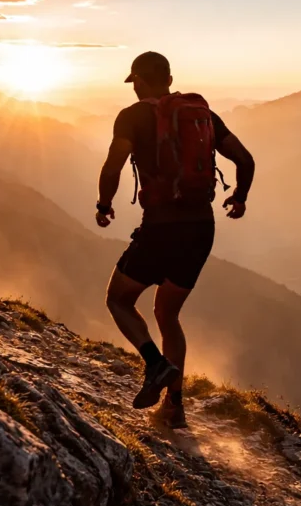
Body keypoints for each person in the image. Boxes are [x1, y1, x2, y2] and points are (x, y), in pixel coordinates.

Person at [96, 52, 255, 428]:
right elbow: (245, 160)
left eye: (134, 81)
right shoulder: (201, 115)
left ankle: (155, 365)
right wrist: (240, 197)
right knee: (168, 313)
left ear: (140, 81)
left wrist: (104, 204)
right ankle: (174, 407)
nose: (133, 87)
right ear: (169, 78)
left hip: (161, 228)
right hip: (201, 228)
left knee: (118, 299)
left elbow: (113, 164)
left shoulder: (132, 116)